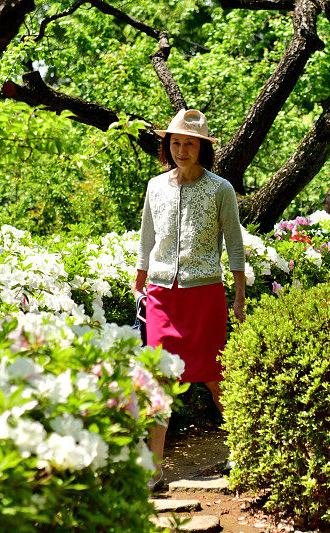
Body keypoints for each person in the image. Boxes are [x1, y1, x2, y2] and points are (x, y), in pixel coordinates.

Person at [132, 108, 246, 490]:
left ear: (202, 148)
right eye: (176, 142)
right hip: (162, 296)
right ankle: (154, 469)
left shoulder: (221, 189)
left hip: (205, 296)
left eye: (189, 143)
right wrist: (140, 279)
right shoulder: (154, 186)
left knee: (216, 378)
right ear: (168, 146)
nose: (182, 149)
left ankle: (244, 452)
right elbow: (147, 239)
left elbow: (235, 245)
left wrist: (240, 296)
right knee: (160, 380)